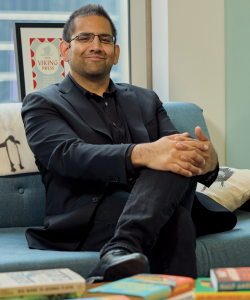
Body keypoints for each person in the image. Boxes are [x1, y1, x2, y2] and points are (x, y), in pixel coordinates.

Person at [21, 4, 219, 282]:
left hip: (155, 198)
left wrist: (208, 163)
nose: (96, 45)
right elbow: (66, 155)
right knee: (177, 221)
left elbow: (177, 151)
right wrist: (142, 153)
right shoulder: (43, 102)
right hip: (91, 211)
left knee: (175, 152)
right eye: (85, 38)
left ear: (115, 53)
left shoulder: (146, 98)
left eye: (105, 39)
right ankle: (129, 249)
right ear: (65, 50)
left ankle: (122, 247)